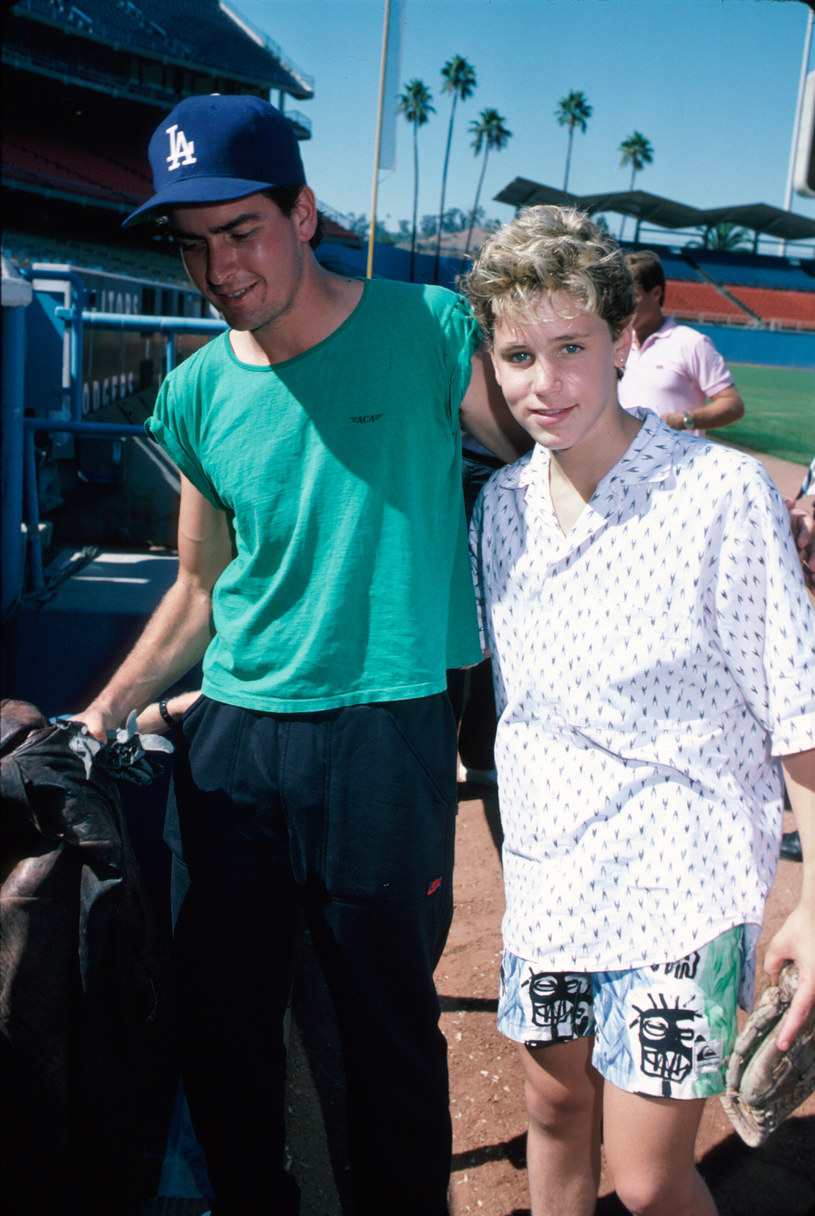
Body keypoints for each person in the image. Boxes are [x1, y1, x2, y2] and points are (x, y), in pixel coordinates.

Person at [72, 93, 528, 1216]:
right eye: (194, 243)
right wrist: (107, 708)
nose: (219, 267)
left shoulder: (428, 331)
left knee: (383, 1032)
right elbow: (199, 586)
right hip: (232, 748)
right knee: (222, 1032)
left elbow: (549, 454)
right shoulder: (191, 393)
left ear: (304, 212)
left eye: (241, 231)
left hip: (384, 732)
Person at [462, 205, 815, 1216]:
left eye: (571, 345)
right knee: (551, 1108)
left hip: (682, 884)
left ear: (623, 340)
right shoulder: (500, 509)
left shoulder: (720, 496)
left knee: (651, 1177)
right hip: (548, 875)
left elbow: (797, 712)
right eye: (518, 354)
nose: (544, 382)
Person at [618, 249, 745, 437]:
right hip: (628, 462)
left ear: (656, 293)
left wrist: (681, 420)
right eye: (622, 296)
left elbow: (733, 404)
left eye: (634, 296)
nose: (626, 305)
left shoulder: (690, 343)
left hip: (677, 462)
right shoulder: (618, 343)